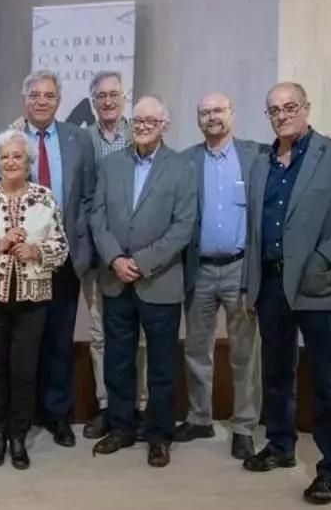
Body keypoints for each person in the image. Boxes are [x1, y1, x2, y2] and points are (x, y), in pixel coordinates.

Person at [242, 82, 331, 505]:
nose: (281, 115)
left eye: (289, 107)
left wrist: (324, 258)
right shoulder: (262, 162)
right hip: (270, 286)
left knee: (327, 381)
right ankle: (281, 446)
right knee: (277, 374)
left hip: (320, 287)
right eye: (273, 110)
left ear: (306, 108)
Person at [0, 70, 95, 448]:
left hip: (61, 258)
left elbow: (88, 197)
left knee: (59, 340)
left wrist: (78, 245)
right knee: (22, 343)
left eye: (49, 95)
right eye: (35, 95)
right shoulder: (10, 140)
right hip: (17, 262)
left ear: (59, 100)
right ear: (25, 100)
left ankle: (58, 415)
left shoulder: (80, 139)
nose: (42, 101)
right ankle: (22, 416)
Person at [90, 96, 196, 468]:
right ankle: (121, 427)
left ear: (164, 124)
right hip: (116, 279)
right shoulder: (110, 164)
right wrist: (116, 259)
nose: (144, 124)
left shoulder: (182, 167)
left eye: (152, 119)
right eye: (138, 119)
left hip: (160, 281)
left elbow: (183, 226)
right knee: (118, 360)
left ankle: (159, 435)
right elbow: (97, 218)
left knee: (162, 365)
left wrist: (142, 262)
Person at [0, 129, 68, 470]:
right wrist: (0, 246)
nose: (10, 162)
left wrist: (37, 251)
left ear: (28, 162)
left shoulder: (45, 198)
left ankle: (18, 435)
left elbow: (61, 247)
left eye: (17, 156)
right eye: (4, 157)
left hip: (32, 299)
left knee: (24, 370)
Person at [175, 93, 265, 460]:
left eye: (219, 110)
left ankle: (243, 425)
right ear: (198, 120)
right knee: (198, 348)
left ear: (232, 113)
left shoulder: (256, 155)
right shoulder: (186, 161)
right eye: (205, 112)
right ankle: (199, 417)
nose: (212, 117)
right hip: (199, 269)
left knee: (245, 352)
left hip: (241, 268)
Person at [81, 70, 148, 440]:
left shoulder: (139, 132)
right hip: (99, 255)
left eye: (114, 95)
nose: (107, 101)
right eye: (100, 96)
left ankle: (137, 407)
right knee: (99, 335)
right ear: (92, 101)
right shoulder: (82, 139)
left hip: (140, 256)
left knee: (137, 337)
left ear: (126, 97)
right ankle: (107, 405)